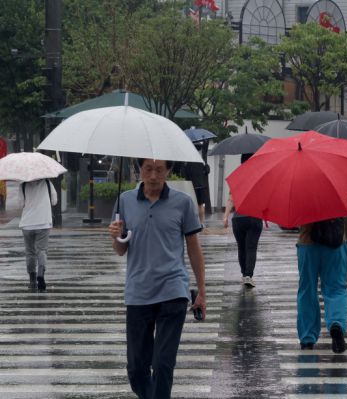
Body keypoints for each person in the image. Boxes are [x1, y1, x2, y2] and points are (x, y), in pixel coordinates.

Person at [108, 158, 207, 399]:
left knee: (163, 363)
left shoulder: (182, 203)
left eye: (160, 170)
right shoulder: (125, 201)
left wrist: (202, 290)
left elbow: (193, 248)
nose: (153, 176)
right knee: (136, 368)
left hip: (173, 291)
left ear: (169, 171)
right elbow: (121, 250)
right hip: (138, 292)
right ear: (139, 169)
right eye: (148, 169)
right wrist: (115, 236)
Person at [296, 218, 347, 353]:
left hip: (307, 243)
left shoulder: (301, 197)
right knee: (336, 289)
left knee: (307, 290)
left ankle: (307, 338)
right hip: (334, 242)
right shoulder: (337, 197)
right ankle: (337, 324)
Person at [223, 153, 263, 288]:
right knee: (251, 247)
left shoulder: (237, 177)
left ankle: (243, 274)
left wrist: (225, 216)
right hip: (254, 216)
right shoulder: (259, 176)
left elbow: (231, 198)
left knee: (241, 247)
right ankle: (248, 275)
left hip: (238, 218)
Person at [20, 178, 57, 292]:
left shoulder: (23, 185)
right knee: (41, 250)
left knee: (30, 251)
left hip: (27, 224)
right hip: (43, 222)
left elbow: (19, 203)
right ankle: (41, 273)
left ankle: (32, 278)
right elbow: (54, 201)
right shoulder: (47, 183)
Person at [181, 148, 209, 223]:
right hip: (201, 186)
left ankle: (194, 223)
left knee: (192, 205)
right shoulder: (201, 161)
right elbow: (207, 171)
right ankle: (201, 222)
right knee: (201, 205)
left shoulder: (188, 162)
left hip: (192, 186)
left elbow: (183, 174)